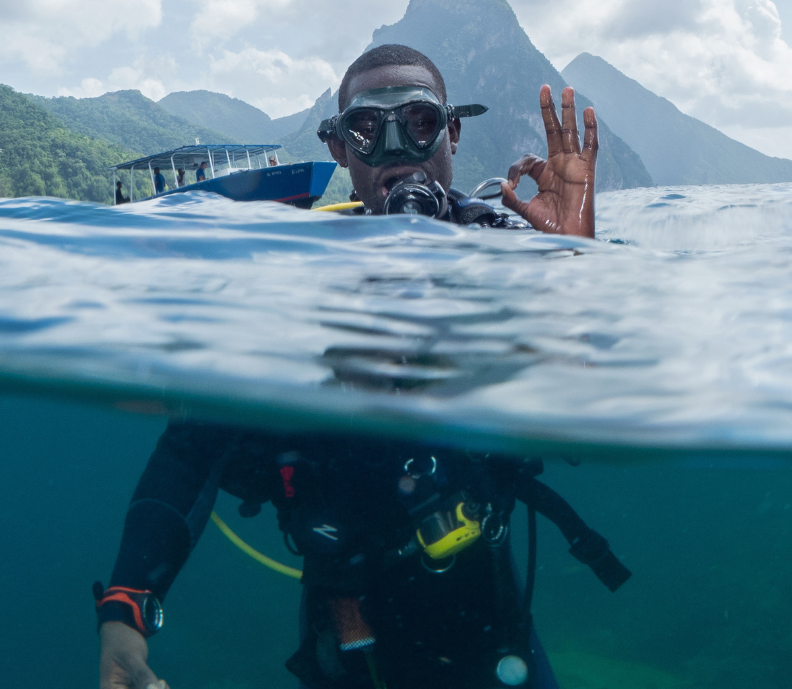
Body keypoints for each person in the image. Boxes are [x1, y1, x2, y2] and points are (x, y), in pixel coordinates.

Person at [96, 45, 621, 689]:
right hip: (348, 641)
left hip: (490, 626)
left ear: (452, 132)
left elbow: (582, 402)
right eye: (369, 130)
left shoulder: (506, 253)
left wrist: (578, 271)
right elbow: (192, 444)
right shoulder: (287, 277)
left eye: (421, 123)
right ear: (340, 149)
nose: (397, 150)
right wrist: (126, 606)